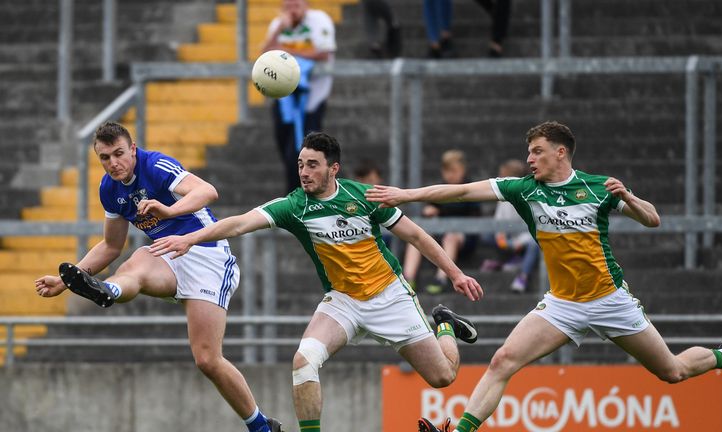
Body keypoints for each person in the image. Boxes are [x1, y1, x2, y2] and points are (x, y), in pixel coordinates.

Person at [365, 121, 722, 432]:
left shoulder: (597, 188)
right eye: (528, 152)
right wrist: (407, 195)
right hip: (563, 305)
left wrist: (627, 196)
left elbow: (653, 219)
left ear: (561, 153)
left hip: (611, 300)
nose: (530, 159)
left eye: (537, 152)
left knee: (673, 372)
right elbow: (462, 192)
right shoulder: (523, 189)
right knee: (503, 359)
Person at [149, 132, 484, 432]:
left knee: (443, 377)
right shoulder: (295, 206)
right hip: (343, 302)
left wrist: (455, 273)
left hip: (391, 295)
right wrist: (191, 238)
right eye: (300, 164)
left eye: (312, 165)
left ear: (333, 169)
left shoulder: (364, 196)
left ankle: (443, 326)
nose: (304, 172)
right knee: (303, 360)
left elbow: (416, 235)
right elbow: (239, 223)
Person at [33, 122, 281, 432]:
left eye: (119, 154)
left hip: (207, 255)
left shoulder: (155, 164)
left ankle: (261, 427)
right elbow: (112, 245)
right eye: (105, 158)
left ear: (133, 149)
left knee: (207, 360)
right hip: (166, 255)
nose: (113, 163)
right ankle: (107, 289)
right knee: (136, 261)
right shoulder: (109, 189)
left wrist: (169, 210)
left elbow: (207, 191)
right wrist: (69, 279)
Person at [262, 0, 336, 194]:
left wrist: (287, 53)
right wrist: (279, 29)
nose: (292, 10)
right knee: (285, 150)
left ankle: (304, 196)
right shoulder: (278, 24)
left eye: (296, 5)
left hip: (311, 100)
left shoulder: (319, 21)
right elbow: (264, 55)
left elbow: (324, 53)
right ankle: (295, 197)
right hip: (283, 99)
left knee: (302, 153)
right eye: (288, 6)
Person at [402, 150, 481, 294]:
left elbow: (473, 214)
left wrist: (442, 212)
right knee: (415, 235)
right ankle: (408, 278)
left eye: (454, 171)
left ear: (462, 170)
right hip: (440, 235)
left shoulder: (471, 188)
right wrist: (429, 211)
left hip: (464, 237)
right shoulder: (440, 189)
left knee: (451, 236)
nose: (450, 175)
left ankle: (441, 278)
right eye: (446, 171)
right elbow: (431, 208)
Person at [479, 159, 539, 292]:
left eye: (503, 177)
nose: (499, 180)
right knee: (486, 236)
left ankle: (523, 275)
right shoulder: (503, 197)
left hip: (526, 239)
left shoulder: (528, 197)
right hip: (510, 239)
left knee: (534, 244)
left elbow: (533, 226)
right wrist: (501, 237)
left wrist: (519, 242)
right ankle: (509, 261)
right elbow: (499, 222)